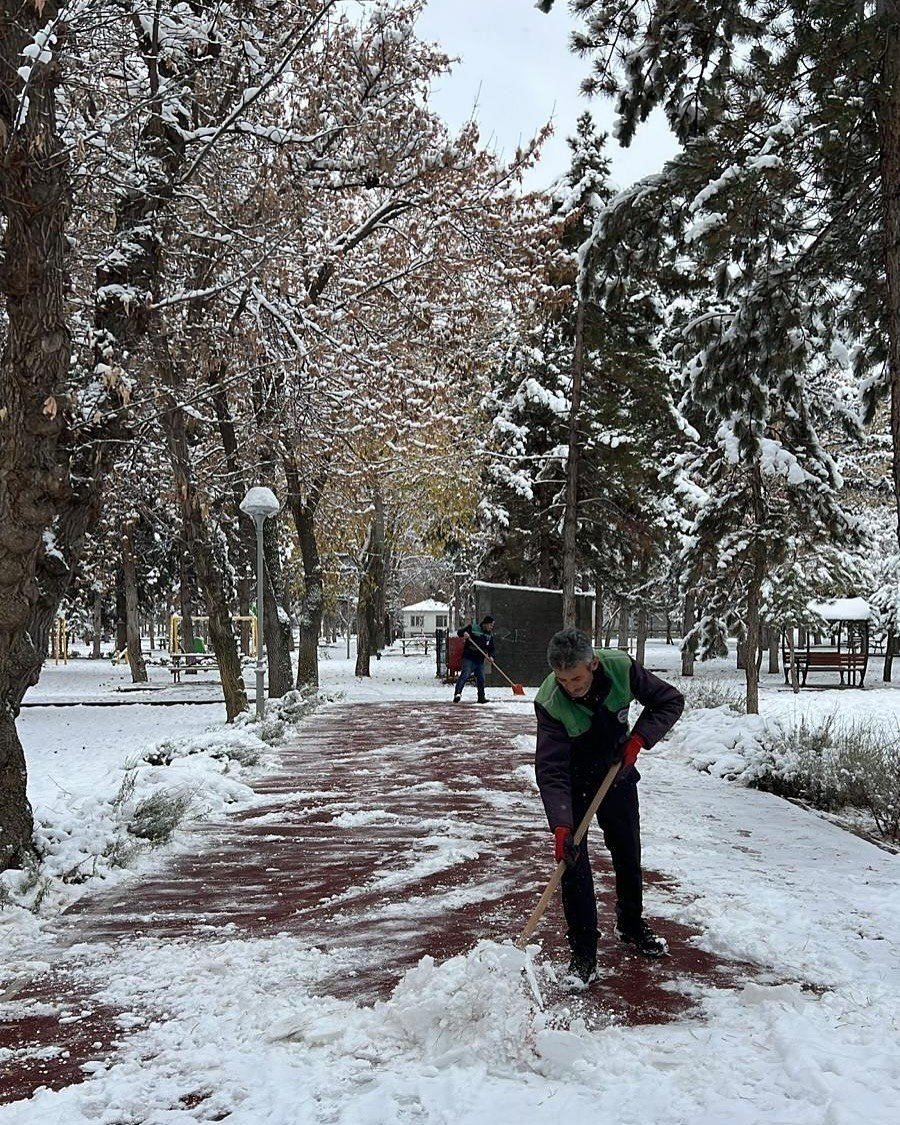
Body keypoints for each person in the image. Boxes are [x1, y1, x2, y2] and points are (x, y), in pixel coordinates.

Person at [534, 627, 684, 982]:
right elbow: (551, 769)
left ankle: (631, 925)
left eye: (576, 677)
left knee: (628, 852)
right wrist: (561, 825)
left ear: (593, 664)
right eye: (563, 679)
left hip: (616, 772)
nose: (570, 686)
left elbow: (669, 700)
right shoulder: (549, 701)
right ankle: (583, 953)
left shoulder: (621, 668)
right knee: (573, 865)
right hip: (572, 783)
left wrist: (639, 739)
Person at [452, 615, 496, 703]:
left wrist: (491, 656)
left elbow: (491, 648)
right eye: (491, 625)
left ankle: (481, 697)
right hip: (469, 657)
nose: (491, 627)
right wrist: (464, 633)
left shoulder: (489, 635)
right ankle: (457, 694)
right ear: (485, 624)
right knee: (465, 675)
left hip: (479, 660)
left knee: (481, 678)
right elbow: (459, 632)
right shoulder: (473, 628)